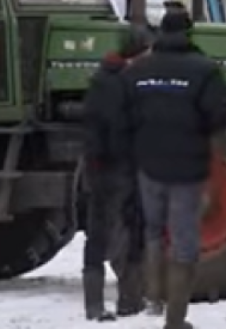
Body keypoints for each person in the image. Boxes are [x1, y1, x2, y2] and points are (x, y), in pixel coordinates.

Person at [120, 9, 226, 329]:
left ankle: (154, 296)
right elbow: (221, 115)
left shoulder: (136, 70)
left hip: (148, 164)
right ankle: (175, 319)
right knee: (184, 239)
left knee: (154, 230)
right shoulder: (204, 69)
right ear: (189, 32)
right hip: (188, 165)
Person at [81, 24, 153, 321]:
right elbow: (111, 128)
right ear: (136, 52)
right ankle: (97, 304)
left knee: (131, 230)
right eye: (147, 51)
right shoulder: (115, 83)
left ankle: (129, 299)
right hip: (111, 167)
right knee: (105, 232)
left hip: (120, 165)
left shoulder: (115, 79)